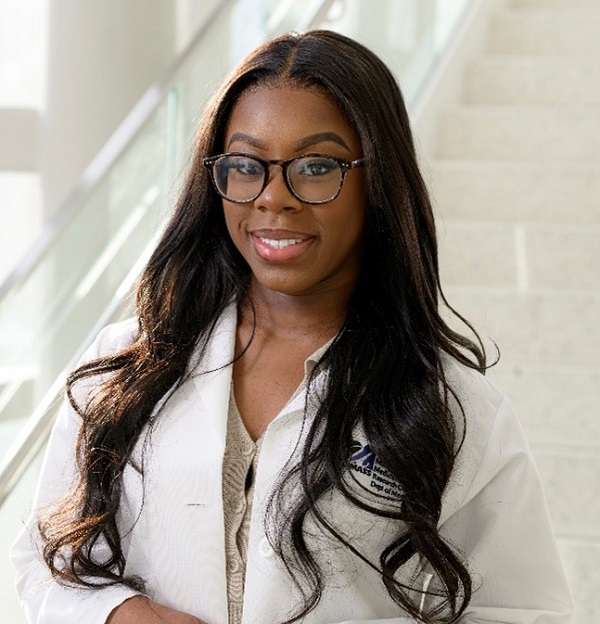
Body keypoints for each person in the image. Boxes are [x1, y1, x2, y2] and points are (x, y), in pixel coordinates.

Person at [11, 29, 572, 624]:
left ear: (377, 181)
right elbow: (43, 561)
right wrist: (121, 615)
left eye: (316, 166)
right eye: (246, 165)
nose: (274, 198)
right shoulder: (127, 366)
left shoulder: (453, 406)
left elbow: (527, 612)